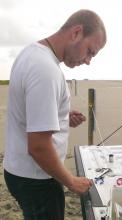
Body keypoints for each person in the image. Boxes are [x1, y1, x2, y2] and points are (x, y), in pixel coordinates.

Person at [3, 9, 106, 220]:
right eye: (90, 51)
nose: (88, 61)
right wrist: (72, 181)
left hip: (21, 171)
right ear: (76, 32)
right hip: (37, 179)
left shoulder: (32, 53)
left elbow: (28, 114)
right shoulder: (45, 69)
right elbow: (38, 146)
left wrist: (61, 118)